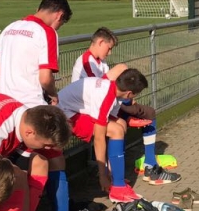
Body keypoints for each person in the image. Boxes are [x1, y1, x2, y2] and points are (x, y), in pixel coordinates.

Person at [0, 0, 93, 211]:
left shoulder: (10, 27)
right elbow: (45, 78)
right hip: (33, 109)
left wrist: (13, 81)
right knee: (55, 159)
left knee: (22, 167)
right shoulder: (46, 32)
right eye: (61, 24)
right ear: (59, 15)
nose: (59, 28)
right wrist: (52, 94)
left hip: (7, 109)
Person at [71, 27, 180, 185]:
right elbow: (98, 89)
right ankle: (116, 176)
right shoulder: (86, 62)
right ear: (100, 42)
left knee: (149, 112)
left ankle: (149, 165)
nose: (110, 53)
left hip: (112, 103)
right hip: (93, 109)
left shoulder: (100, 62)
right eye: (109, 48)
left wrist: (126, 98)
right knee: (121, 124)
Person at [56, 69, 149, 203]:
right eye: (135, 95)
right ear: (129, 93)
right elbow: (99, 138)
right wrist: (102, 175)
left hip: (75, 110)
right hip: (64, 115)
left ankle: (115, 176)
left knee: (121, 124)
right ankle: (117, 189)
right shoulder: (106, 97)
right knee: (116, 131)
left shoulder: (114, 91)